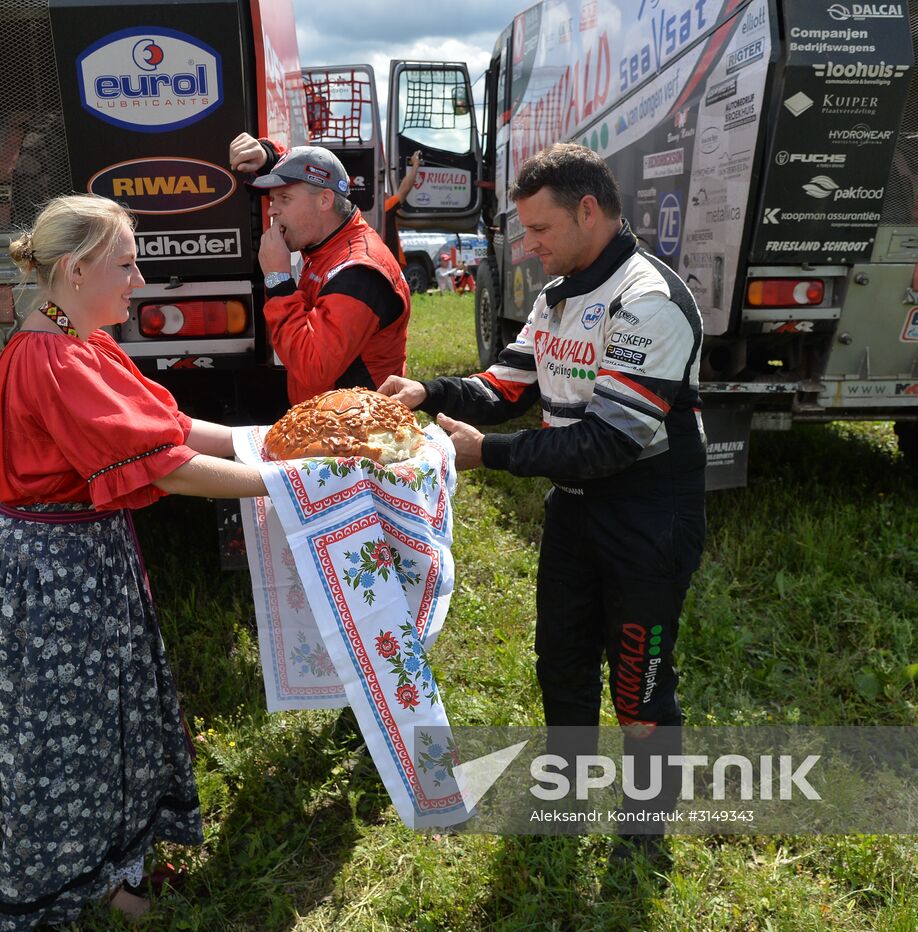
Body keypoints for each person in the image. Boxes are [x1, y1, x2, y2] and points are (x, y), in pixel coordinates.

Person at [0, 194, 268, 929]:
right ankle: (44, 889)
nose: (139, 279)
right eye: (126, 265)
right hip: (49, 577)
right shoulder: (56, 358)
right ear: (75, 269)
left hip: (79, 562)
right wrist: (291, 484)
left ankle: (109, 874)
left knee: (107, 725)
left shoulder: (78, 338)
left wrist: (274, 439)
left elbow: (173, 426)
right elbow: (166, 467)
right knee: (59, 744)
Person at [380, 143, 706, 861]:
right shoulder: (560, 292)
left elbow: (606, 444)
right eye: (524, 230)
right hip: (577, 508)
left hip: (648, 511)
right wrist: (428, 393)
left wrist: (486, 454)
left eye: (541, 229)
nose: (528, 246)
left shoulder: (647, 300)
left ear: (589, 212)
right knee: (559, 658)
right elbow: (506, 386)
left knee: (637, 677)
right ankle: (567, 790)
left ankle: (645, 831)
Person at [227, 134, 411, 404]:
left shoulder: (359, 272)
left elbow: (313, 368)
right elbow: (310, 171)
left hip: (360, 434)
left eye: (284, 198)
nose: (271, 211)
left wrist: (278, 280)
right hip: (330, 424)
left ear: (325, 201)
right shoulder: (325, 243)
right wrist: (268, 156)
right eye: (272, 199)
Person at [382, 150, 423, 269]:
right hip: (390, 262)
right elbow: (405, 188)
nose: (387, 194)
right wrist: (416, 164)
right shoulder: (385, 208)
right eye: (385, 192)